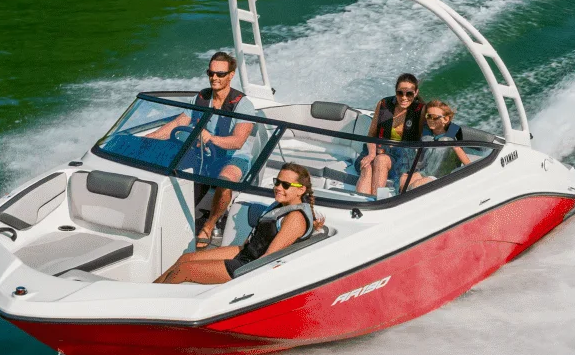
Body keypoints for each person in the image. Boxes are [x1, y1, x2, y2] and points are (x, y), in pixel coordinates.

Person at [146, 51, 255, 246]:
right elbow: (178, 122)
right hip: (203, 153)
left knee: (225, 180)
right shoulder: (201, 98)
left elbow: (238, 141)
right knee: (166, 165)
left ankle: (208, 225)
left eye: (220, 74)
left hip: (233, 157)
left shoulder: (243, 105)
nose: (214, 77)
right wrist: (150, 138)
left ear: (231, 75)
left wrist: (210, 138)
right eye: (211, 73)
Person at [155, 164, 317, 284]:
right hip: (245, 253)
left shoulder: (295, 218)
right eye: (277, 182)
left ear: (301, 190)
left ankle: (152, 306)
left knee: (184, 270)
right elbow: (251, 243)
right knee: (185, 258)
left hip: (249, 266)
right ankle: (149, 293)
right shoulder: (280, 206)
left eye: (285, 185)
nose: (278, 187)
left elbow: (267, 259)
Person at [355, 73, 424, 196]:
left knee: (381, 160)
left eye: (409, 94)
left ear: (416, 93)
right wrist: (371, 154)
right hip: (377, 150)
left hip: (400, 158)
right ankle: (362, 202)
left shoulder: (420, 110)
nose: (404, 97)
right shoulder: (384, 104)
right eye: (400, 93)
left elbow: (439, 124)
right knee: (366, 166)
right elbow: (371, 135)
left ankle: (377, 201)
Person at [405, 99, 472, 190]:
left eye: (435, 117)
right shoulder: (426, 134)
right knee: (404, 179)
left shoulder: (451, 138)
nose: (430, 120)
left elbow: (467, 163)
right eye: (428, 116)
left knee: (417, 184)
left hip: (442, 179)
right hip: (425, 173)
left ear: (446, 119)